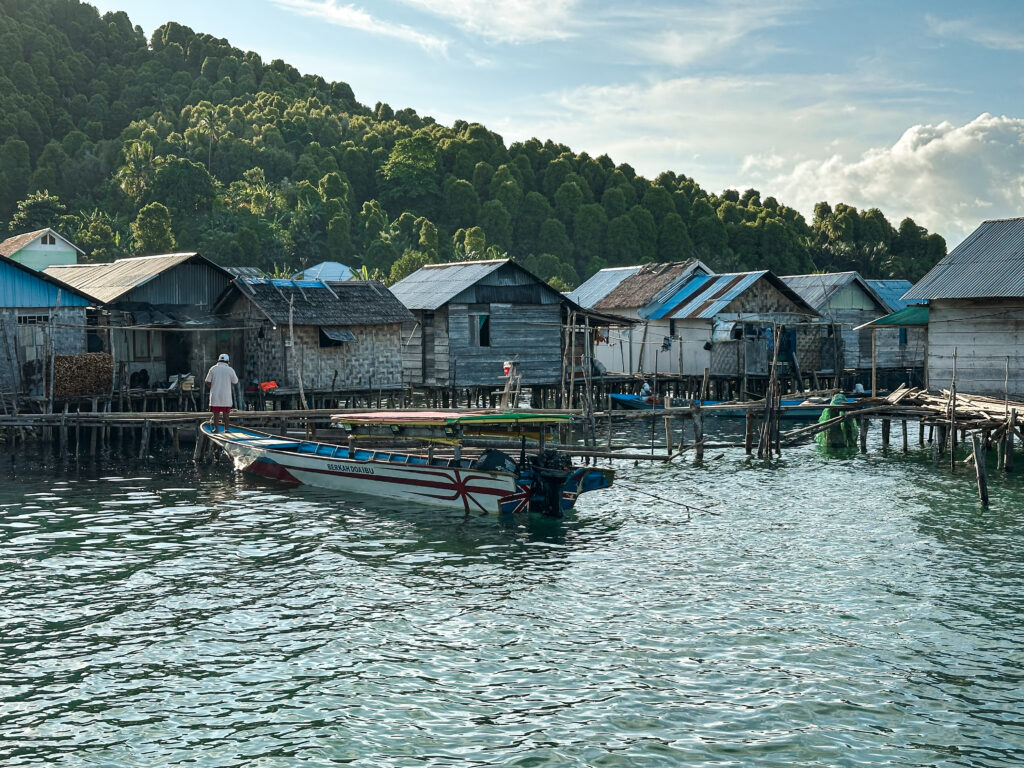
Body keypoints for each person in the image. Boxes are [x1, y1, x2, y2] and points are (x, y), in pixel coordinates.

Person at [205, 353, 239, 432]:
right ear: (227, 361)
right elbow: (235, 381)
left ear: (218, 360)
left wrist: (213, 387)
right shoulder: (230, 370)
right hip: (226, 396)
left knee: (216, 413)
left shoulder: (213, 368)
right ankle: (226, 429)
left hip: (215, 395)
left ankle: (216, 429)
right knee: (226, 414)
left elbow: (207, 381)